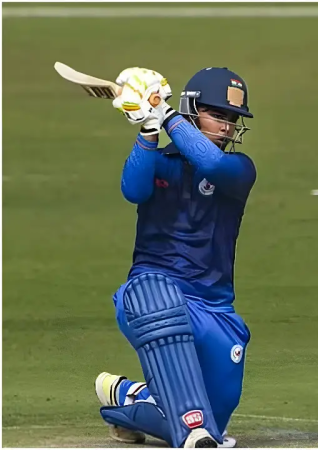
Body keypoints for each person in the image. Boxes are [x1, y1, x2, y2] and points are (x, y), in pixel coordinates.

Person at [92, 66, 257, 448]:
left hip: (214, 308)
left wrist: (165, 115)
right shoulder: (160, 161)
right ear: (193, 110)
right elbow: (133, 190)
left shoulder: (239, 170)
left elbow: (211, 165)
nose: (226, 126)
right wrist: (149, 128)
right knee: (194, 423)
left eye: (232, 119)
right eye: (217, 115)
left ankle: (129, 399)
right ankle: (190, 429)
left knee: (212, 421)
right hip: (152, 295)